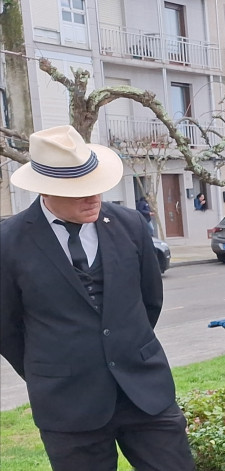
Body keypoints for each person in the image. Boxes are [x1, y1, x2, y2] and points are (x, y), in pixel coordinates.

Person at [0, 125, 194, 470]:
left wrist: (126, 347)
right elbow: (7, 328)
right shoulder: (8, 242)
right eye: (79, 191)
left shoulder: (130, 224)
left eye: (96, 186)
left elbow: (150, 300)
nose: (93, 198)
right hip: (67, 403)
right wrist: (54, 370)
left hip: (145, 392)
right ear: (46, 190)